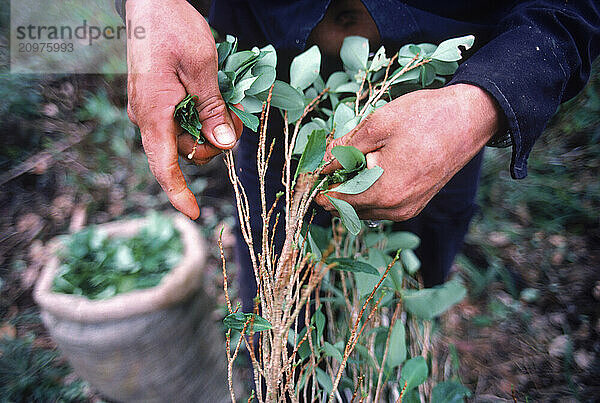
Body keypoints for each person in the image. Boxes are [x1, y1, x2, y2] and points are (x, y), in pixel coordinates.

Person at [117, 0, 599, 309]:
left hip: (435, 109)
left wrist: (483, 103)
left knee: (400, 300)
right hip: (266, 100)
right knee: (274, 309)